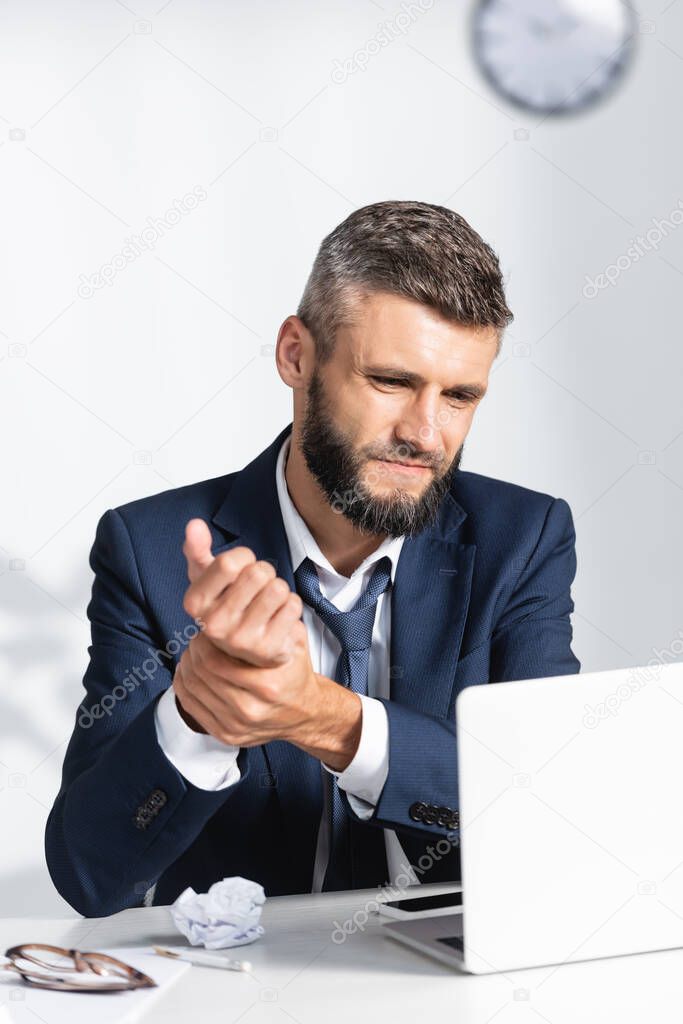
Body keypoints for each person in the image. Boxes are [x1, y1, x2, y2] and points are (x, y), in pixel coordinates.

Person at [45, 200, 580, 917]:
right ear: (296, 355)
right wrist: (198, 714)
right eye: (390, 381)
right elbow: (89, 875)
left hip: (452, 985)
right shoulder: (150, 550)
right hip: (237, 989)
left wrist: (326, 719)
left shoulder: (523, 539)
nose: (425, 433)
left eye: (458, 396)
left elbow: (551, 819)